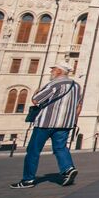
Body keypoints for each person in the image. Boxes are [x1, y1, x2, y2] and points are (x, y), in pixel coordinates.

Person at [10, 61, 83, 189]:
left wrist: (37, 91)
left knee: (33, 150)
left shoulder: (54, 84)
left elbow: (36, 100)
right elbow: (78, 106)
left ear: (59, 71)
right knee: (60, 148)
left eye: (53, 69)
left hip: (46, 122)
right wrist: (74, 120)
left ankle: (28, 180)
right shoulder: (76, 86)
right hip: (65, 124)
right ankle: (68, 168)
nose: (51, 72)